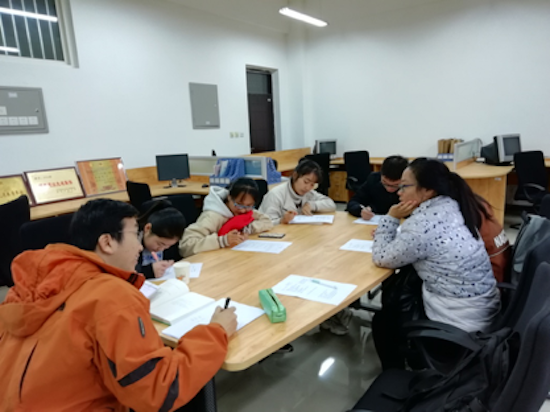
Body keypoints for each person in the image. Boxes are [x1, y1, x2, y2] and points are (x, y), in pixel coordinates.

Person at [0, 199, 237, 411]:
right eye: (135, 234)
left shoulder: (28, 287)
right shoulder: (110, 295)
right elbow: (159, 390)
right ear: (107, 242)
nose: (140, 246)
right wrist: (216, 331)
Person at [371, 158, 500, 368]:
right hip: (484, 310)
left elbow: (381, 257)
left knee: (383, 321)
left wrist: (391, 217)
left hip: (459, 323)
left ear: (428, 191)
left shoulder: (422, 225)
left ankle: (397, 375)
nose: (399, 193)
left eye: (404, 186)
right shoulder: (452, 205)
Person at [180, 178, 273, 258]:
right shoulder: (212, 216)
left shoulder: (245, 211)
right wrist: (222, 240)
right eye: (239, 204)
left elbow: (267, 221)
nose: (243, 210)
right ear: (229, 197)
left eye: (249, 206)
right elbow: (185, 246)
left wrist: (245, 229)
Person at [259, 159, 336, 225]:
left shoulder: (309, 193)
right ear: (295, 175)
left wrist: (311, 205)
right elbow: (266, 223)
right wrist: (282, 220)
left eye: (312, 185)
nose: (308, 188)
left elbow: (331, 204)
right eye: (306, 182)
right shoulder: (275, 195)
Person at [346, 155, 409, 220]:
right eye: (385, 183)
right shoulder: (374, 179)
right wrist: (360, 210)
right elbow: (353, 201)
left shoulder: (411, 186)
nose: (389, 189)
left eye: (395, 185)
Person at [136, 200, 186, 279]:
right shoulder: (131, 244)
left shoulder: (170, 241)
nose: (161, 249)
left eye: (168, 246)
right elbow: (124, 272)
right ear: (147, 228)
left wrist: (170, 263)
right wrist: (149, 271)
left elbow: (174, 258)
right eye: (160, 244)